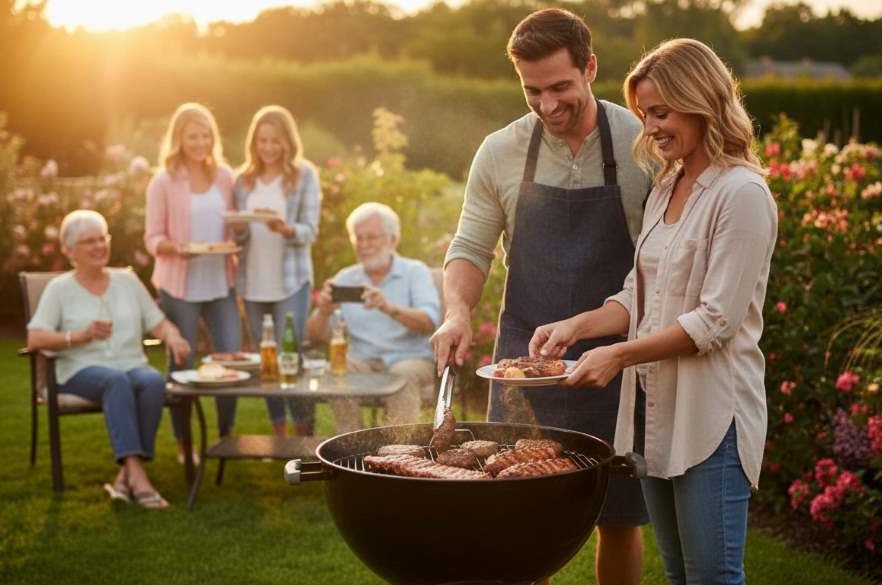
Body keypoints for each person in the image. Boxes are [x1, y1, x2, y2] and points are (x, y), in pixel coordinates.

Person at [529, 38, 777, 584]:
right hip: (654, 414)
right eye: (645, 115)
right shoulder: (668, 185)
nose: (652, 128)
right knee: (679, 577)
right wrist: (578, 328)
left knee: (712, 578)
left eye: (662, 112)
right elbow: (638, 295)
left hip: (711, 415)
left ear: (701, 100)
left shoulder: (742, 194)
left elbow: (715, 321)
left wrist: (617, 355)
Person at [430, 9, 653, 585]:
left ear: (590, 68)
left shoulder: (641, 142)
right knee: (521, 515)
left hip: (615, 360)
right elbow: (471, 247)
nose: (549, 105)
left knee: (620, 516)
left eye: (561, 88)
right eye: (533, 91)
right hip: (520, 365)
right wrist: (457, 312)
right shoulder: (500, 151)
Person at [27, 210, 191, 509]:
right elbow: (35, 338)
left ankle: (125, 474)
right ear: (69, 250)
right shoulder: (59, 289)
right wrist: (79, 335)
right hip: (78, 370)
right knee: (115, 381)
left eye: (102, 238)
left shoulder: (127, 281)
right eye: (88, 241)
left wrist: (173, 336)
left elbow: (157, 321)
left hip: (131, 365)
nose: (98, 246)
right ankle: (139, 478)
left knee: (152, 380)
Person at [144, 102, 242, 462]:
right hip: (179, 285)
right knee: (182, 366)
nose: (200, 142)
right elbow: (152, 238)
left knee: (230, 361)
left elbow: (234, 224)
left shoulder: (224, 177)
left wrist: (239, 235)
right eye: (192, 136)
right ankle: (185, 444)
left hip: (220, 283)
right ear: (179, 139)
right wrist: (176, 248)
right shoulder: (163, 181)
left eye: (205, 135)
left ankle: (226, 439)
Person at [306, 202, 439, 433]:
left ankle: (400, 451)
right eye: (359, 238)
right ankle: (352, 442)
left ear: (393, 239)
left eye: (372, 237)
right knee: (335, 370)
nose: (364, 245)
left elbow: (428, 323)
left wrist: (388, 307)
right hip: (363, 359)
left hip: (410, 358)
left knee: (402, 375)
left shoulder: (414, 272)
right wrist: (324, 310)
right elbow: (314, 335)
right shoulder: (346, 278)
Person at [233, 105, 321, 437]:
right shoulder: (243, 180)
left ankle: (304, 433)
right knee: (266, 360)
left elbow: (309, 231)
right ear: (253, 143)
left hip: (290, 281)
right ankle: (278, 433)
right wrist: (239, 225)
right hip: (253, 281)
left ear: (288, 142)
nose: (268, 147)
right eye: (262, 141)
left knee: (290, 355)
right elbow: (239, 234)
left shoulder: (303, 176)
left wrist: (285, 229)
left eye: (275, 141)